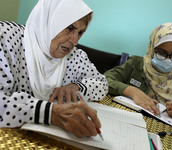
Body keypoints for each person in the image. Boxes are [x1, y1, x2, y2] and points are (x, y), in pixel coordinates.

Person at [0, 0, 108, 138]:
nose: (75, 41)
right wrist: (51, 113)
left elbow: (101, 83)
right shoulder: (5, 38)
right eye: (70, 28)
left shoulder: (74, 56)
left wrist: (76, 86)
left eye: (80, 32)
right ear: (49, 21)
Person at [104, 23, 172, 121]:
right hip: (127, 120)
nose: (168, 59)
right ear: (152, 48)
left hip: (165, 132)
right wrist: (131, 90)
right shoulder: (136, 65)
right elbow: (104, 80)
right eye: (162, 53)